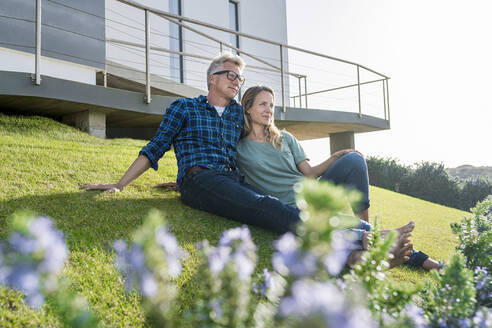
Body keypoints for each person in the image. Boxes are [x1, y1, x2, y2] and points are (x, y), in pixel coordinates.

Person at [81, 53, 414, 269]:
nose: (236, 82)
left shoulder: (235, 121)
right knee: (269, 208)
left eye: (239, 78)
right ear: (212, 78)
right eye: (230, 75)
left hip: (228, 182)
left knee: (288, 211)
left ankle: (367, 248)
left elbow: (249, 154)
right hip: (201, 179)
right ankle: (364, 241)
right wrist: (121, 183)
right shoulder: (183, 108)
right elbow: (155, 148)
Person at [236, 85, 442, 270]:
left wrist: (337, 156)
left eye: (271, 105)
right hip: (287, 210)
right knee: (364, 232)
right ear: (247, 108)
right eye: (262, 104)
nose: (269, 110)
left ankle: (370, 229)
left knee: (354, 159)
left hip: (312, 196)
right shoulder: (239, 147)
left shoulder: (285, 138)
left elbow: (309, 173)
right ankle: (425, 261)